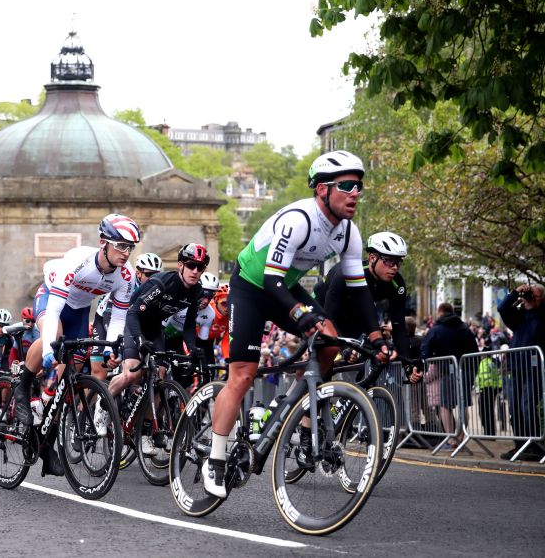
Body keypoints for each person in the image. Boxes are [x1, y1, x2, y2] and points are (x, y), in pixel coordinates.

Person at [204, 149, 388, 498]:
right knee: (242, 375)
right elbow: (271, 280)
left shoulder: (348, 233)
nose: (355, 193)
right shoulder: (298, 220)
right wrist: (301, 315)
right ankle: (215, 458)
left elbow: (360, 291)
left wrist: (378, 337)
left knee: (330, 341)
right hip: (253, 286)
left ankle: (304, 422)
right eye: (346, 185)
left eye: (359, 186)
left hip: (283, 288)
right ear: (322, 189)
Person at [12, 213, 139, 477]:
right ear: (104, 242)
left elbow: (118, 316)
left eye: (130, 247)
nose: (126, 253)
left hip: (80, 310)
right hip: (52, 298)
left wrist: (109, 349)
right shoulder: (77, 261)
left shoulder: (125, 275)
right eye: (121, 245)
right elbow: (56, 309)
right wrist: (48, 349)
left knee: (71, 374)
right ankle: (22, 384)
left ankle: (46, 436)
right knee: (54, 338)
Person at [103, 243, 209, 456]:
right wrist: (140, 340)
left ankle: (143, 433)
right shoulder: (163, 283)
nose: (195, 271)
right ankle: (102, 405)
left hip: (155, 329)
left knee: (159, 375)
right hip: (134, 323)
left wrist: (194, 348)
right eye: (191, 265)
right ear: (181, 265)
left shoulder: (196, 291)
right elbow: (132, 313)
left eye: (200, 267)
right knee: (132, 371)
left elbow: (188, 326)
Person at [314, 230, 422, 383]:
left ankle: (353, 401)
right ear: (372, 258)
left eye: (398, 262)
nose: (395, 267)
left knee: (371, 353)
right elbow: (330, 317)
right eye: (389, 261)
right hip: (323, 310)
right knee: (326, 361)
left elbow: (399, 328)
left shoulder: (396, 284)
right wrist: (343, 349)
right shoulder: (346, 274)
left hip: (355, 316)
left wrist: (408, 365)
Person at [497, 282, 545, 460]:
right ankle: (520, 444)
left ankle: (534, 445)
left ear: (542, 298)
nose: (529, 298)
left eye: (534, 295)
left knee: (527, 405)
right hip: (516, 366)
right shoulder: (520, 314)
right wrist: (516, 293)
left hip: (534, 367)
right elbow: (502, 308)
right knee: (515, 408)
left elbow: (538, 332)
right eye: (529, 294)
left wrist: (533, 308)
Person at [91, 251, 163, 380]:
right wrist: (114, 346)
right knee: (99, 372)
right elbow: (111, 319)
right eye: (149, 275)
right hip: (106, 318)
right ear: (138, 274)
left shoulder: (157, 289)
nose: (153, 279)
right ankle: (94, 397)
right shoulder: (127, 284)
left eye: (157, 275)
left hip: (131, 322)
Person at [421, 302, 478, 449]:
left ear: (440, 312)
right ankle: (462, 436)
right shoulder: (465, 328)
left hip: (447, 371)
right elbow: (475, 350)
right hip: (467, 370)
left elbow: (425, 350)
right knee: (464, 404)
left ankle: (451, 438)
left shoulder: (436, 329)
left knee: (445, 406)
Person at [161, 270, 219, 390]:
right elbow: (160, 328)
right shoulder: (180, 303)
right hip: (161, 335)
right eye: (204, 295)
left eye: (210, 296)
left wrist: (208, 365)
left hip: (177, 340)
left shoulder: (209, 314)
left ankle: (174, 402)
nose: (206, 301)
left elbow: (204, 343)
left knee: (185, 376)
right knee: (159, 370)